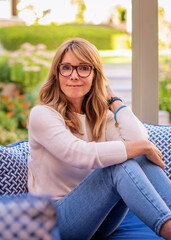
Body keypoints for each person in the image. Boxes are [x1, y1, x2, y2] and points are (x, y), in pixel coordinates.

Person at [28, 38, 171, 240]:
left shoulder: (100, 118)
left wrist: (113, 99)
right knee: (119, 164)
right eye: (66, 68)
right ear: (57, 74)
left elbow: (138, 139)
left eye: (84, 68)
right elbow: (79, 155)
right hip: (54, 222)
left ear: (96, 75)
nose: (74, 76)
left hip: (98, 222)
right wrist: (142, 147)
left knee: (136, 155)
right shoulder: (42, 115)